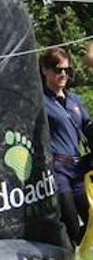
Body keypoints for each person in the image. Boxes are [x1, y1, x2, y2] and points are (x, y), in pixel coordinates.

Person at [40, 46, 93, 244]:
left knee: (90, 218)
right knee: (70, 219)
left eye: (67, 70)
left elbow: (87, 129)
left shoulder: (75, 100)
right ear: (45, 70)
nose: (63, 74)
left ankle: (85, 257)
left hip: (79, 167)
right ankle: (72, 255)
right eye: (57, 69)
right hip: (58, 168)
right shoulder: (40, 101)